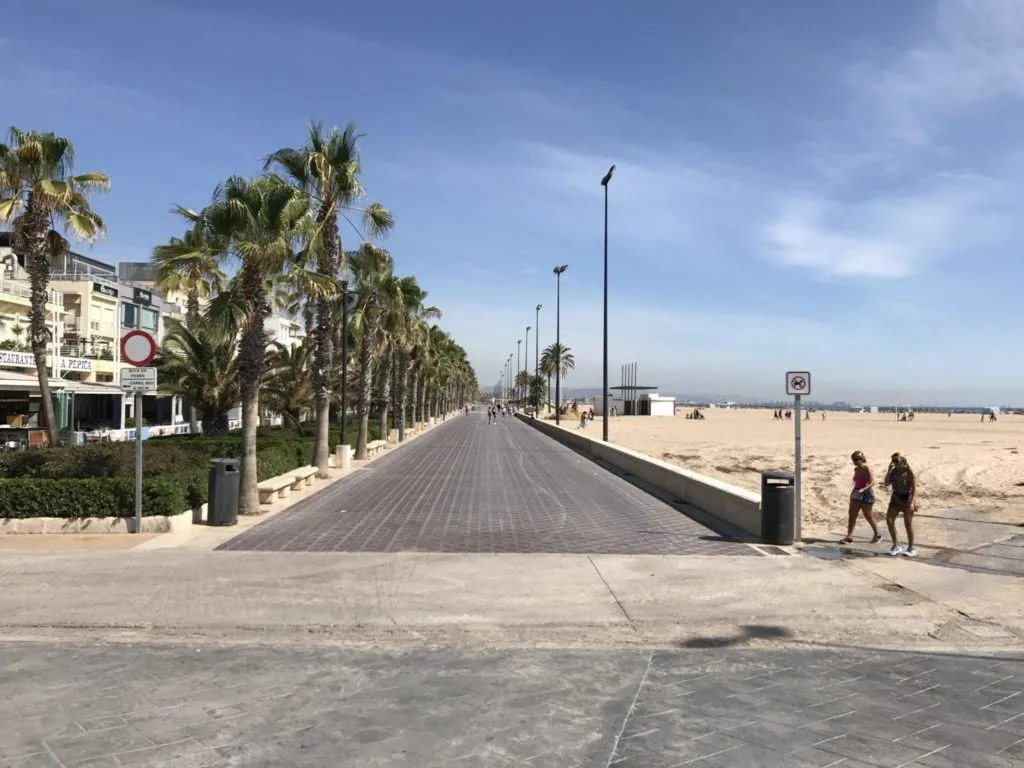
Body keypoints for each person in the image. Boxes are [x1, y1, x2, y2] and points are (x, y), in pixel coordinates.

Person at [841, 450, 882, 545]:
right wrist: (856, 490)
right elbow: (856, 481)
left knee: (868, 515)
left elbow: (872, 482)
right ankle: (849, 536)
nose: (854, 462)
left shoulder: (867, 468)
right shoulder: (856, 469)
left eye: (856, 459)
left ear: (861, 459)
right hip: (856, 492)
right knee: (852, 515)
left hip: (866, 494)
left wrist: (863, 489)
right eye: (853, 459)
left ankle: (877, 534)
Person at [883, 453, 917, 557]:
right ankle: (896, 545)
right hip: (896, 498)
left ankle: (911, 548)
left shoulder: (909, 472)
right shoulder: (893, 472)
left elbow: (914, 489)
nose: (894, 463)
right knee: (889, 521)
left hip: (907, 499)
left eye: (896, 461)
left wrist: (912, 502)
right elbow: (886, 483)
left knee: (908, 524)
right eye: (893, 461)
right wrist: (889, 470)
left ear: (902, 461)